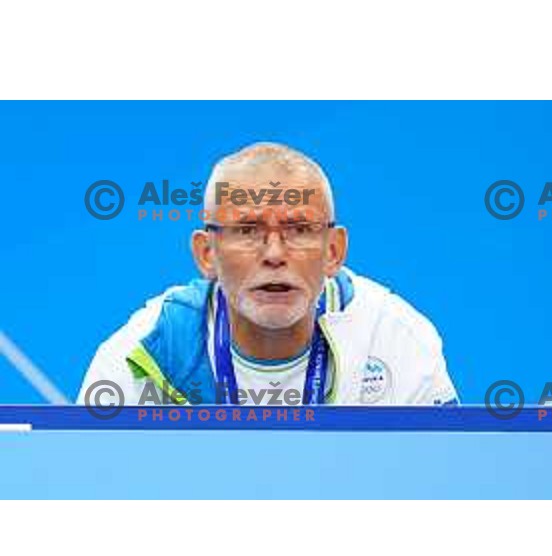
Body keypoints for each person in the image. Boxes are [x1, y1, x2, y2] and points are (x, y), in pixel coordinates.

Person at [77, 142, 459, 406]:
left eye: (299, 230)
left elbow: (446, 487)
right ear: (206, 254)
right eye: (247, 231)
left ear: (333, 251)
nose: (275, 254)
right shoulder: (150, 351)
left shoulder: (395, 341)